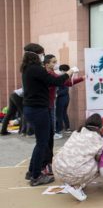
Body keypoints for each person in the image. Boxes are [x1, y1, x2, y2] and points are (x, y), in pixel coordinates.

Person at [21, 43, 74, 186]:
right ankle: (36, 176)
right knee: (42, 143)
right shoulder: (36, 69)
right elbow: (55, 81)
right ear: (35, 55)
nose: (43, 56)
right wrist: (68, 73)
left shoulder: (28, 69)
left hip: (32, 109)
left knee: (40, 142)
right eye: (42, 54)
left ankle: (31, 171)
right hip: (38, 110)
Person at [53, 113, 103, 201]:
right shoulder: (98, 139)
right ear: (100, 126)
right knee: (100, 166)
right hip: (74, 172)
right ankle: (76, 187)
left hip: (58, 168)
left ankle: (74, 183)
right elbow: (98, 158)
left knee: (81, 159)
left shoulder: (76, 132)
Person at [55, 64, 75, 135]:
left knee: (59, 114)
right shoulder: (68, 77)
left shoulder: (63, 78)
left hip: (62, 98)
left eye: (60, 70)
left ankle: (59, 130)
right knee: (64, 113)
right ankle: (67, 128)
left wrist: (57, 94)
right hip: (66, 98)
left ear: (62, 70)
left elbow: (65, 89)